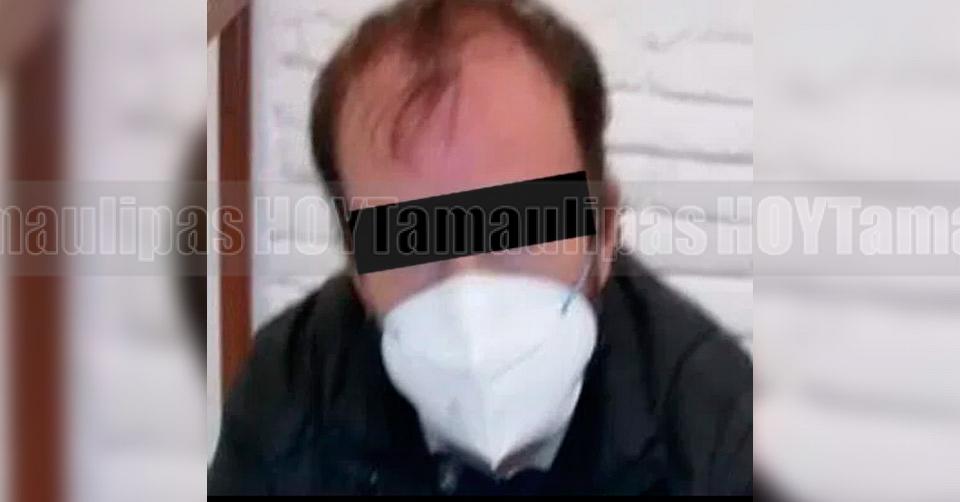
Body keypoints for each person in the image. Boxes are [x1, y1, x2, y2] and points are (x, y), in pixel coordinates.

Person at [208, 0, 752, 495]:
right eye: (412, 239)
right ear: (359, 271)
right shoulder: (288, 394)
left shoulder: (715, 428)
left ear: (604, 231)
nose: (469, 302)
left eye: (516, 224)